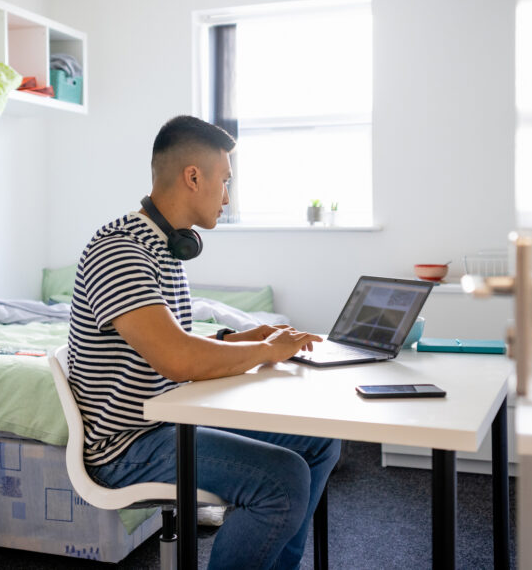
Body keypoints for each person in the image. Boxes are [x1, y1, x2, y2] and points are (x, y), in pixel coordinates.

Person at [67, 115, 341, 570]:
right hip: (128, 443)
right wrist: (267, 351)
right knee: (282, 479)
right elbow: (177, 358)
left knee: (318, 439)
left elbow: (169, 336)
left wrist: (242, 338)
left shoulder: (164, 246)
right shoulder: (119, 249)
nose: (228, 197)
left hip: (169, 416)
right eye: (226, 181)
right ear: (193, 177)